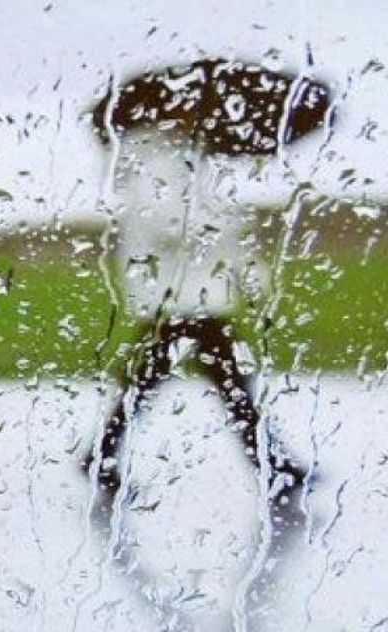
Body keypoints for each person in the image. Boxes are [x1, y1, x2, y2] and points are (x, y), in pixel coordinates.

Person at [85, 59, 331, 521]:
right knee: (224, 379)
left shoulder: (191, 152)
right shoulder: (146, 153)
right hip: (172, 292)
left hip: (196, 291)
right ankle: (273, 463)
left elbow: (216, 218)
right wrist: (212, 222)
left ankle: (102, 456)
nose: (189, 111)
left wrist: (237, 248)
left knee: (162, 379)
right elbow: (159, 220)